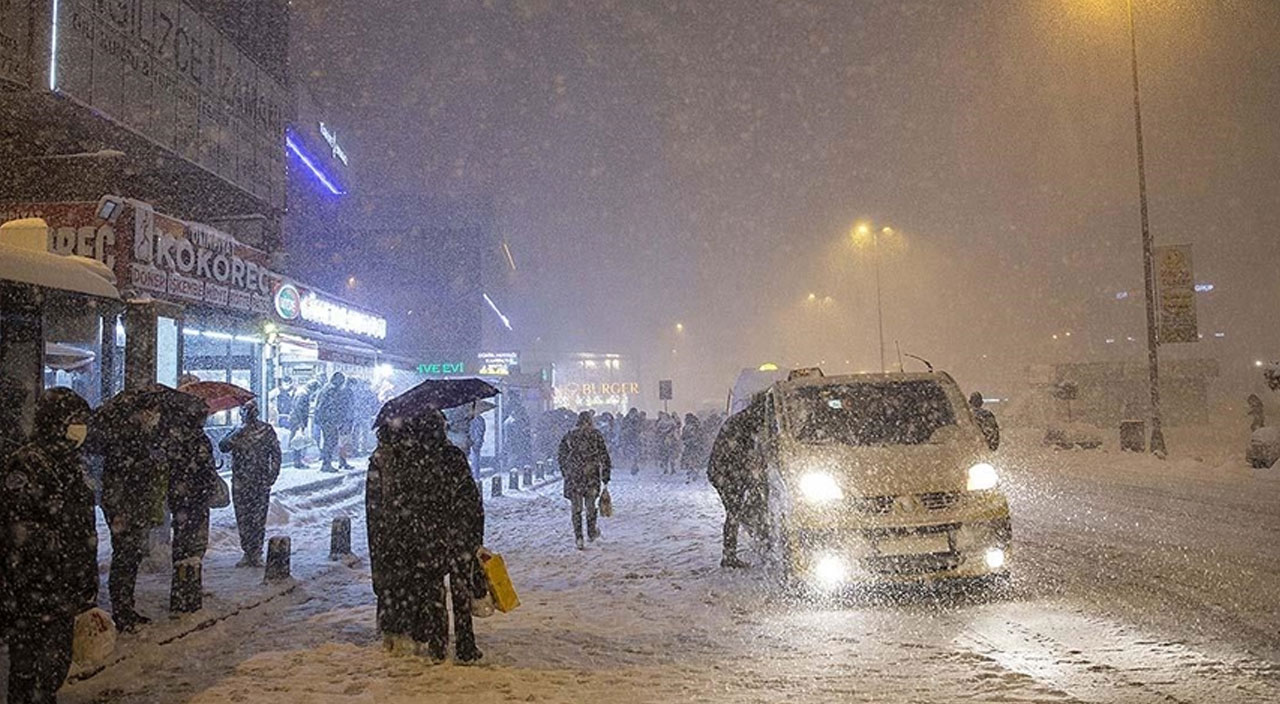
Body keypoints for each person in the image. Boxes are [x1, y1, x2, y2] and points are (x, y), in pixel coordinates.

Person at [0, 388, 98, 704]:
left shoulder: (73, 463)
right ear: (56, 422)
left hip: (63, 588)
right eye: (75, 420)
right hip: (34, 588)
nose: (80, 427)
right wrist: (58, 554)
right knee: (29, 667)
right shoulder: (28, 463)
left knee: (55, 666)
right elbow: (20, 526)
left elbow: (82, 524)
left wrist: (84, 579)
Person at [366, 410, 485, 662]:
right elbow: (470, 499)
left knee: (434, 592)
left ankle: (438, 645)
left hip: (428, 536)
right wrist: (474, 534)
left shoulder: (413, 460)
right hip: (459, 534)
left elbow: (406, 503)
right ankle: (465, 645)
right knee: (461, 591)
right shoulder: (453, 456)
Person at [94, 399, 165, 632]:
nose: (153, 417)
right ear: (139, 413)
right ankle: (122, 611)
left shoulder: (139, 437)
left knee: (130, 558)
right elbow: (118, 477)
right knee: (125, 558)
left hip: (133, 507)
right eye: (151, 411)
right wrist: (119, 511)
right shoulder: (126, 439)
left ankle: (126, 608)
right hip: (125, 509)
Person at [166, 403, 218, 614]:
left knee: (181, 540)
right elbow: (205, 470)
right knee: (194, 541)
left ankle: (181, 584)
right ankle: (190, 583)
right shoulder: (199, 440)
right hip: (195, 499)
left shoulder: (175, 439)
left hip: (181, 499)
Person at [219, 401, 282, 567]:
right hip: (241, 481)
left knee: (258, 517)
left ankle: (256, 551)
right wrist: (236, 434)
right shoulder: (237, 431)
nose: (248, 414)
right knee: (243, 516)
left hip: (259, 481)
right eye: (246, 410)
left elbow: (276, 454)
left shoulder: (266, 430)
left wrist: (272, 475)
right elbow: (223, 446)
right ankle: (248, 550)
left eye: (251, 411)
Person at [708, 402, 764, 569]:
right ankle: (729, 556)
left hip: (725, 472)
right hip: (727, 474)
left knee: (737, 511)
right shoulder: (745, 425)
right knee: (734, 512)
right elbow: (743, 454)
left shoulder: (740, 421)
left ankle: (733, 551)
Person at [557, 411, 612, 550]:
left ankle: (579, 537)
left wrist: (565, 471)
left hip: (574, 476)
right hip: (591, 475)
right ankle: (591, 532)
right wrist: (605, 474)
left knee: (576, 508)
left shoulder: (570, 435)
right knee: (590, 506)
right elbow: (604, 455)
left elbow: (561, 455)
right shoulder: (595, 434)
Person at [315, 372, 354, 473]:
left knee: (332, 441)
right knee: (331, 441)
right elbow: (328, 407)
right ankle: (326, 464)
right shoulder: (331, 390)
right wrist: (334, 418)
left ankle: (328, 462)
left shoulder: (327, 389)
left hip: (328, 420)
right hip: (328, 421)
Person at [289, 380, 315, 468]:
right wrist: (301, 423)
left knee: (298, 441)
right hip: (297, 421)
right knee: (298, 441)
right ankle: (297, 462)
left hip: (296, 420)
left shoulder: (301, 392)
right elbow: (298, 408)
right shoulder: (303, 394)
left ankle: (297, 460)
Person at [681, 413, 704, 482]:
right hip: (690, 445)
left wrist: (695, 440)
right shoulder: (686, 427)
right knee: (691, 458)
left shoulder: (696, 426)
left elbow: (700, 435)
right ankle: (692, 470)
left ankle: (694, 471)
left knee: (693, 458)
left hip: (694, 445)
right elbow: (683, 436)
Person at [467, 409, 486, 481]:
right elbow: (482, 431)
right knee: (476, 460)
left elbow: (478, 431)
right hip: (476, 442)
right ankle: (475, 476)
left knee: (475, 460)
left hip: (474, 442)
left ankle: (475, 476)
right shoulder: (481, 419)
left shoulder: (473, 420)